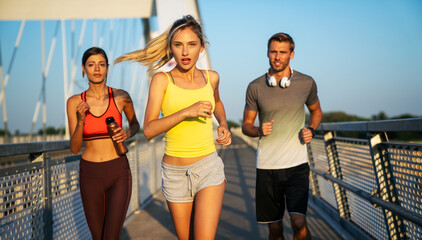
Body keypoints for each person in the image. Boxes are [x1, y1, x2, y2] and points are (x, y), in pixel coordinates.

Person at [115, 15, 231, 240]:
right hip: (174, 173)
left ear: (201, 48)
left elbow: (217, 102)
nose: (185, 52)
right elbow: (148, 129)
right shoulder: (161, 80)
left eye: (191, 45)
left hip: (208, 167)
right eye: (178, 45)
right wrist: (187, 111)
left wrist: (223, 124)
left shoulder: (212, 78)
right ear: (171, 48)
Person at [242, 33, 323, 240]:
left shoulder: (306, 83)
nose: (277, 57)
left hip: (297, 165)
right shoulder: (255, 87)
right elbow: (246, 126)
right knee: (275, 230)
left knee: (299, 223)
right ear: (268, 53)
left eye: (282, 52)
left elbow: (317, 112)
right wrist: (258, 130)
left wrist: (311, 129)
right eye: (273, 52)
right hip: (267, 167)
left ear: (292, 54)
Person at [67, 47, 140, 240]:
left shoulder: (121, 96)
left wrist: (127, 133)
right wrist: (81, 120)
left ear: (107, 68)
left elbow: (135, 125)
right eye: (91, 65)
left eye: (101, 64)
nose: (96, 69)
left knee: (111, 237)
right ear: (84, 69)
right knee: (98, 237)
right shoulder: (74, 102)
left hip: (118, 171)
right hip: (90, 174)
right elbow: (74, 148)